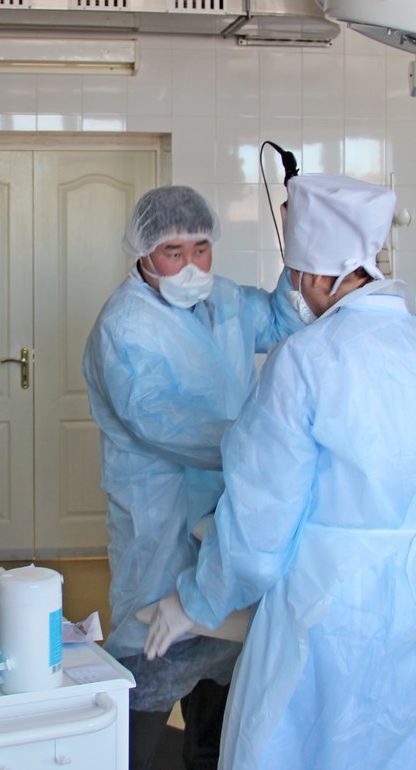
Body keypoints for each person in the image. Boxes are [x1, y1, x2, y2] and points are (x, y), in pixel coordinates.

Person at [145, 173, 416, 769]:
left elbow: (259, 532)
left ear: (314, 277)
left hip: (334, 615)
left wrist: (197, 601)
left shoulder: (305, 361)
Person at [81, 185, 302, 769]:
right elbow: (164, 423)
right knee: (151, 654)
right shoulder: (125, 326)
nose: (191, 266)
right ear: (144, 253)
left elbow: (282, 318)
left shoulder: (223, 299)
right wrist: (269, 449)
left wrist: (301, 251)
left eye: (201, 248)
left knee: (223, 658)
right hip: (160, 515)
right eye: (173, 253)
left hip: (226, 509)